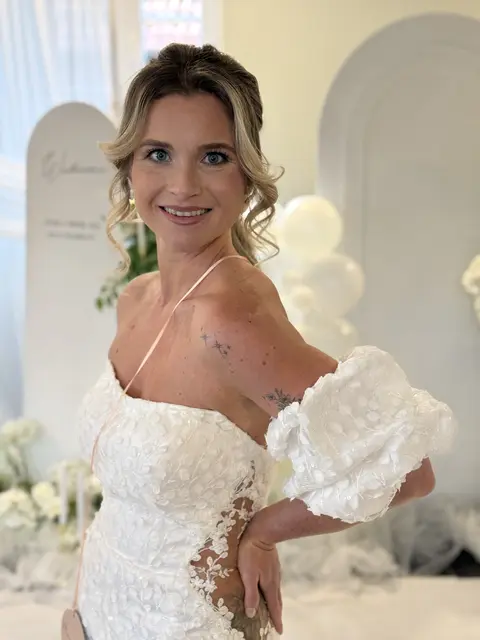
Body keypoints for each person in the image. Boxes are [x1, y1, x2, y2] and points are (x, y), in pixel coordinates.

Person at [75, 43, 456, 639]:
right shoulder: (137, 298)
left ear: (247, 174)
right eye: (159, 153)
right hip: (102, 597)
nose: (182, 184)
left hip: (186, 621)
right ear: (129, 167)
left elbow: (409, 469)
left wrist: (265, 530)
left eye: (214, 157)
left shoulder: (231, 321)